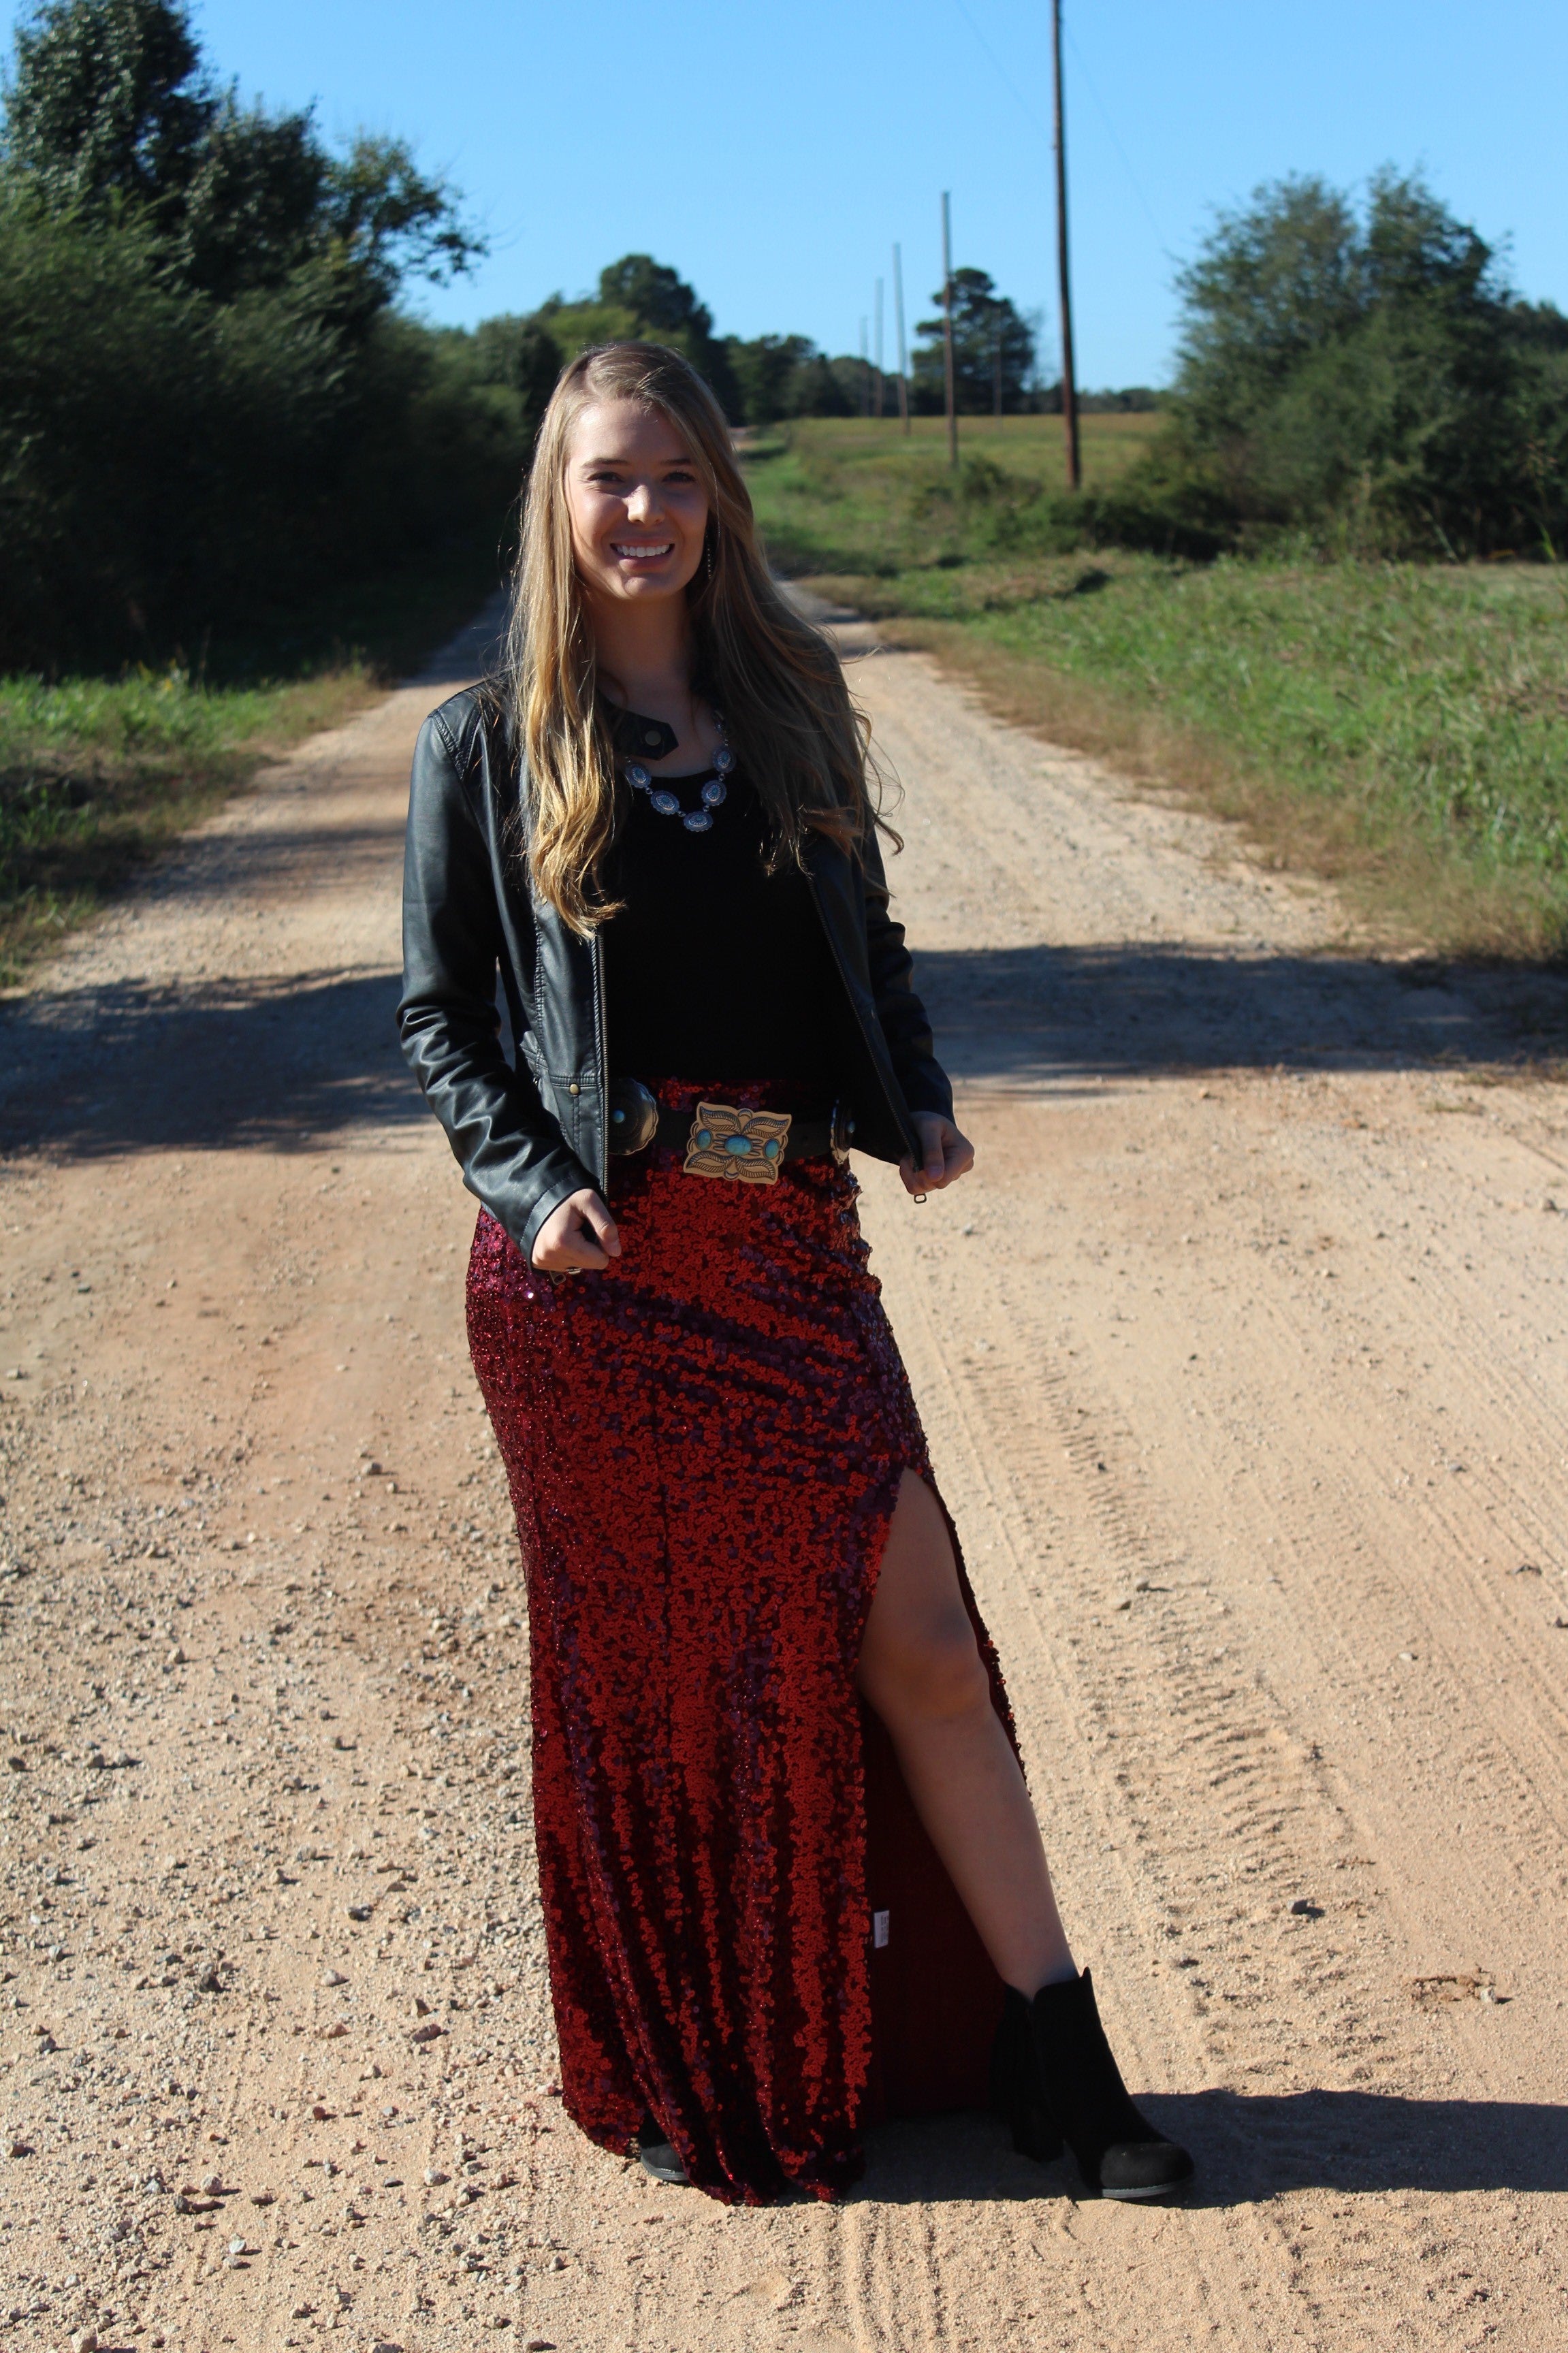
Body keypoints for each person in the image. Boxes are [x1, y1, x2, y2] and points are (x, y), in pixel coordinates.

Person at [398, 341, 1192, 2207]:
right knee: (662, 1693)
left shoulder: (791, 699)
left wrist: (910, 1100)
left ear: (720, 498)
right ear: (559, 497)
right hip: (590, 1286)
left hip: (789, 1256)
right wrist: (531, 1190)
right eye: (612, 477)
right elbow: (444, 1020)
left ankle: (1059, 2061)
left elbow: (872, 948)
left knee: (920, 1644)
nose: (647, 511)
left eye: (678, 477)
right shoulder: (484, 742)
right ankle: (685, 2049)